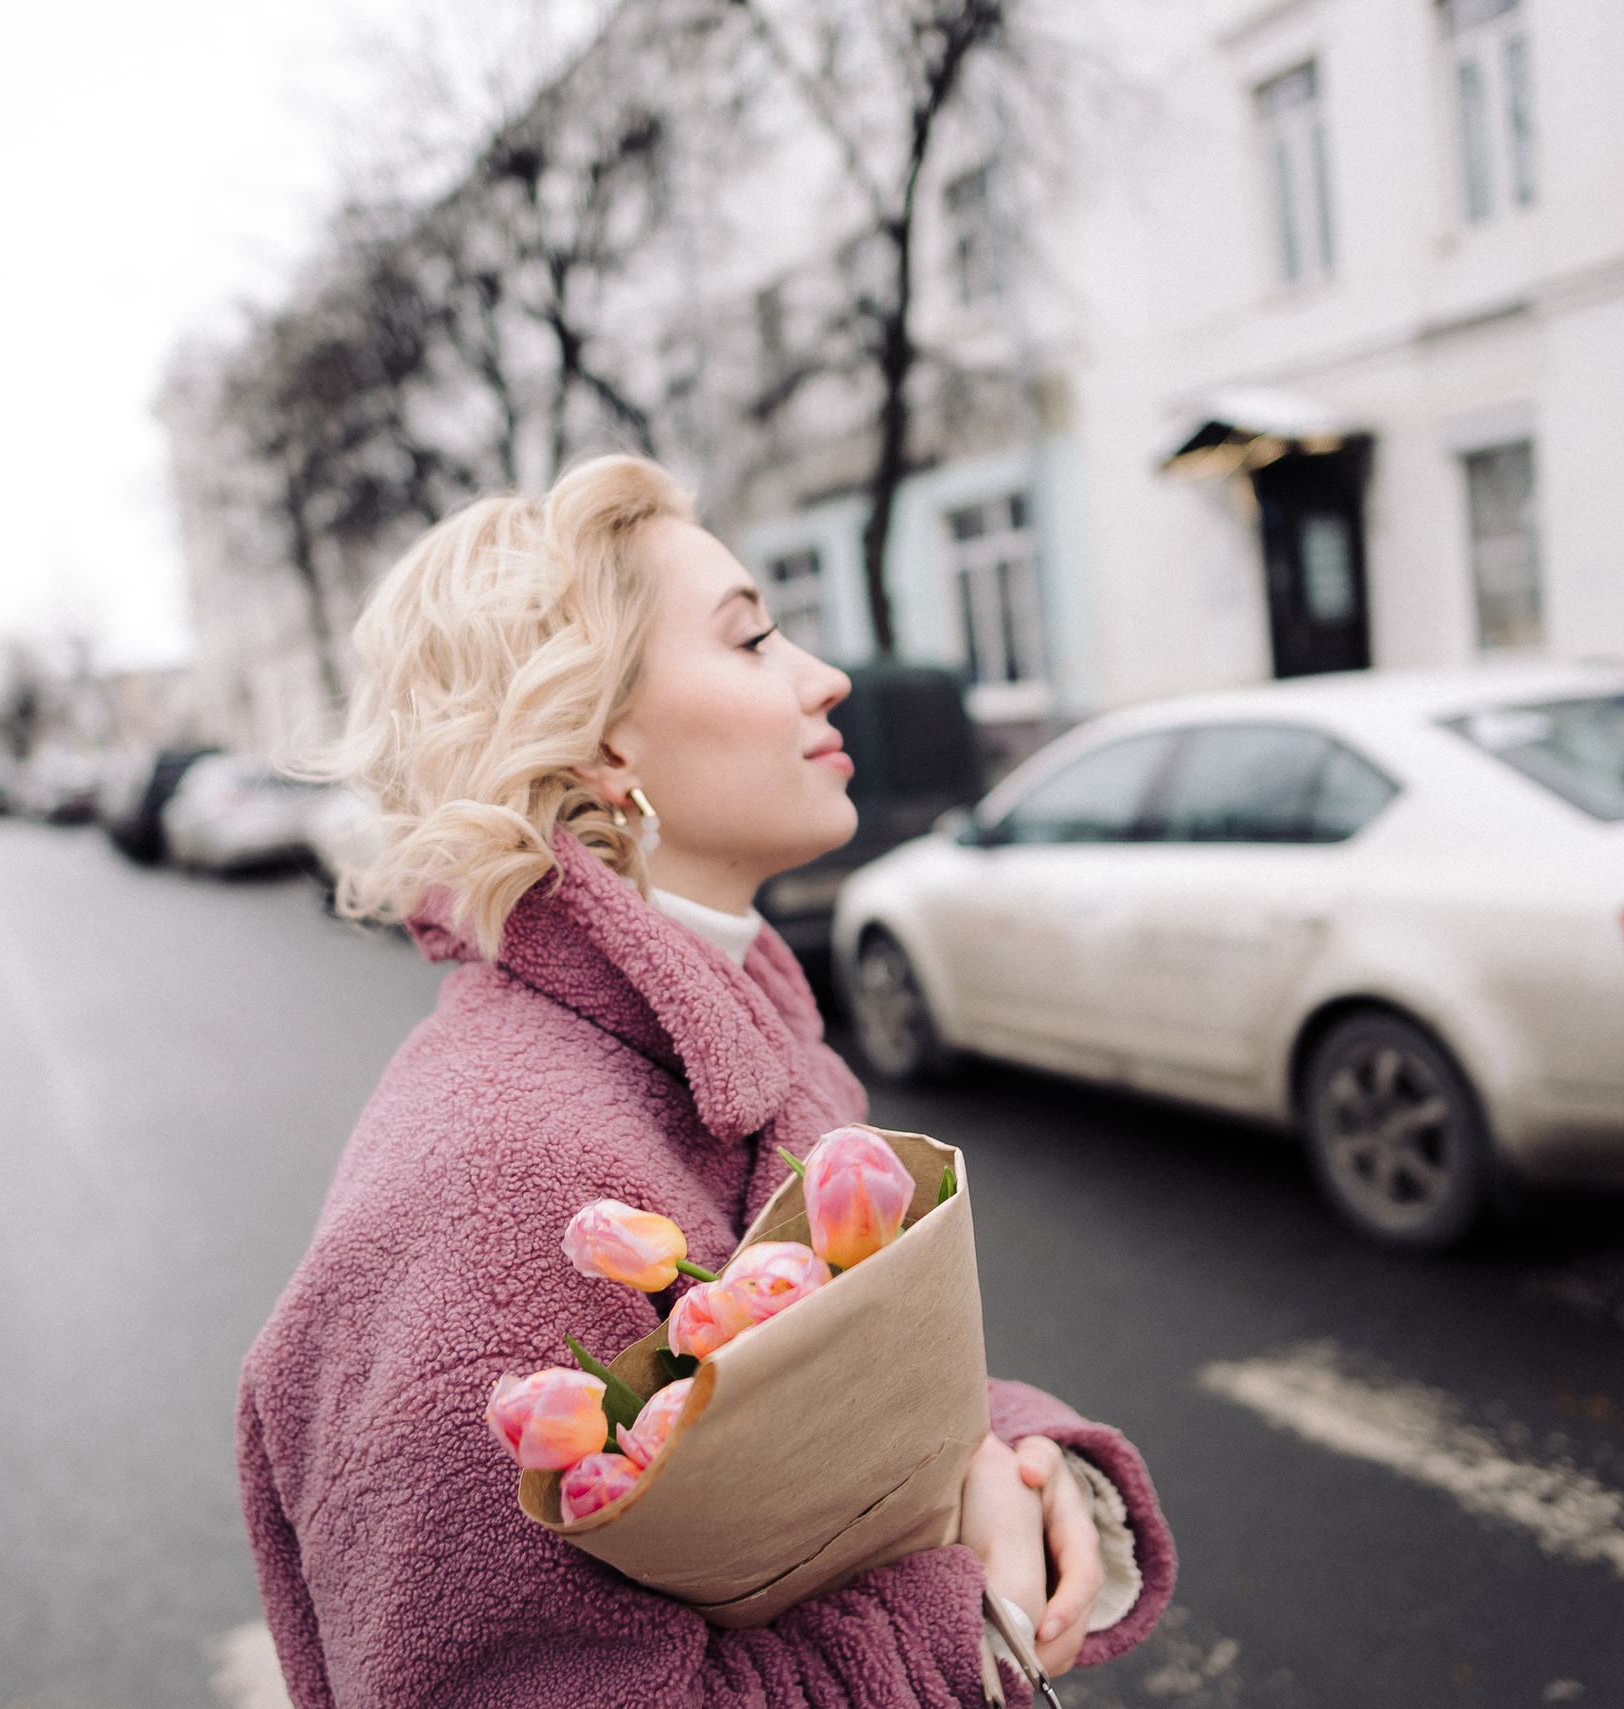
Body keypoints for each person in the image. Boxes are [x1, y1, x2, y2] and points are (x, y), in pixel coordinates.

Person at [238, 456, 1175, 1707]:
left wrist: (1009, 1453)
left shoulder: (747, 1038)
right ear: (598, 743)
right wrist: (954, 1626)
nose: (823, 676)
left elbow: (824, 1426)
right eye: (751, 639)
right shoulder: (496, 1170)